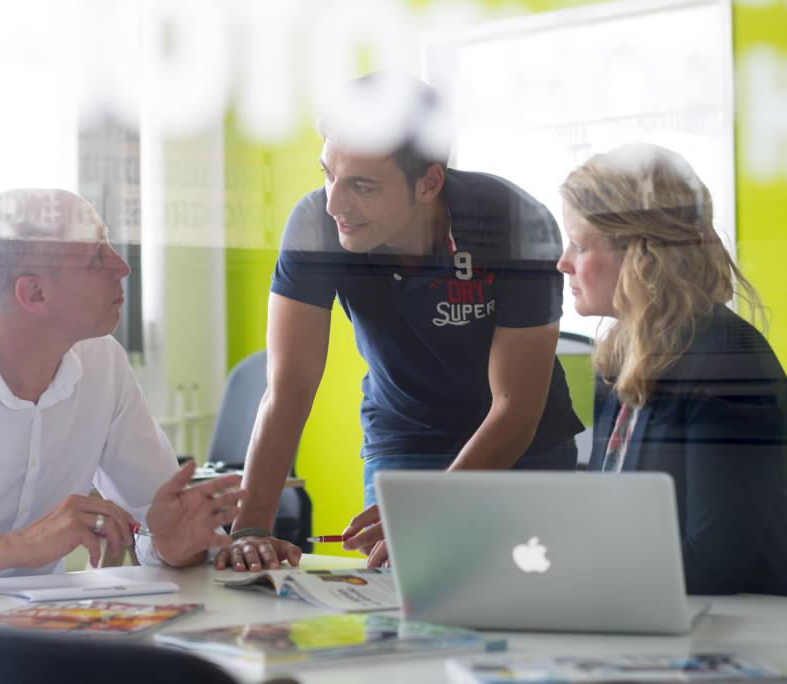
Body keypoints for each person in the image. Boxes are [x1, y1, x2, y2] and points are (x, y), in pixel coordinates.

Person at [215, 73, 584, 572]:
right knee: (408, 590)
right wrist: (252, 528)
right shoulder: (315, 226)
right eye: (329, 174)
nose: (334, 203)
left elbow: (515, 404)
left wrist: (432, 510)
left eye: (362, 186)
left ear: (429, 182)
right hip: (405, 437)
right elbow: (289, 388)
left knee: (534, 590)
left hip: (523, 442)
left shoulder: (515, 223)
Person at [0, 189, 243, 593]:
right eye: (96, 257)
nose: (121, 266)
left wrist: (175, 545)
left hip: (46, 628)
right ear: (34, 293)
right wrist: (11, 549)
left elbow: (161, 525)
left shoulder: (103, 363)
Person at [556, 143, 787, 595]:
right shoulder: (621, 356)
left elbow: (712, 568)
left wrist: (575, 576)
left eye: (578, 244)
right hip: (652, 610)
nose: (563, 263)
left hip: (743, 631)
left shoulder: (728, 364)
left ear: (640, 252)